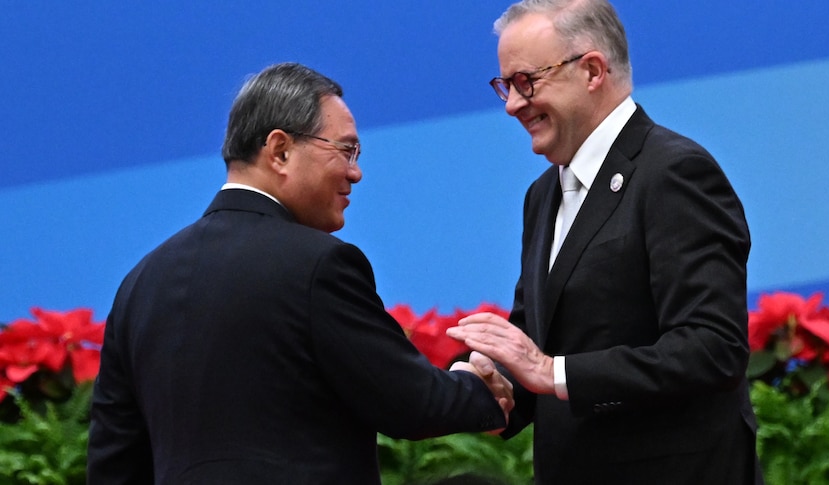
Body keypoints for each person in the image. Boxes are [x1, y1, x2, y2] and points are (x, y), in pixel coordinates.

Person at [87, 62, 513, 484]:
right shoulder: (318, 264)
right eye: (345, 150)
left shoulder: (140, 284)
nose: (355, 172)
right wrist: (478, 387)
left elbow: (113, 464)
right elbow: (411, 403)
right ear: (280, 150)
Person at [446, 1, 764, 483]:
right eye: (505, 86)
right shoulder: (544, 194)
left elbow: (711, 348)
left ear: (592, 70)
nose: (512, 104)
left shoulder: (673, 173)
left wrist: (553, 372)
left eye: (526, 82)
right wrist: (496, 385)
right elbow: (537, 340)